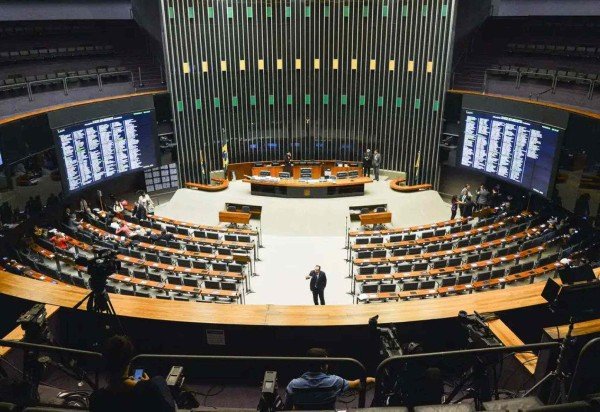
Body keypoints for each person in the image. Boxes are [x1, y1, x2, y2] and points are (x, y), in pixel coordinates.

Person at [89, 335, 176, 412]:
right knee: (159, 380)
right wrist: (147, 384)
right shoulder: (148, 389)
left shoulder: (96, 399)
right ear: (129, 362)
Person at [284, 348, 375, 410]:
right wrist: (373, 379)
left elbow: (287, 408)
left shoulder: (293, 385)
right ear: (322, 366)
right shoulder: (334, 382)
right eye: (326, 362)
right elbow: (356, 383)